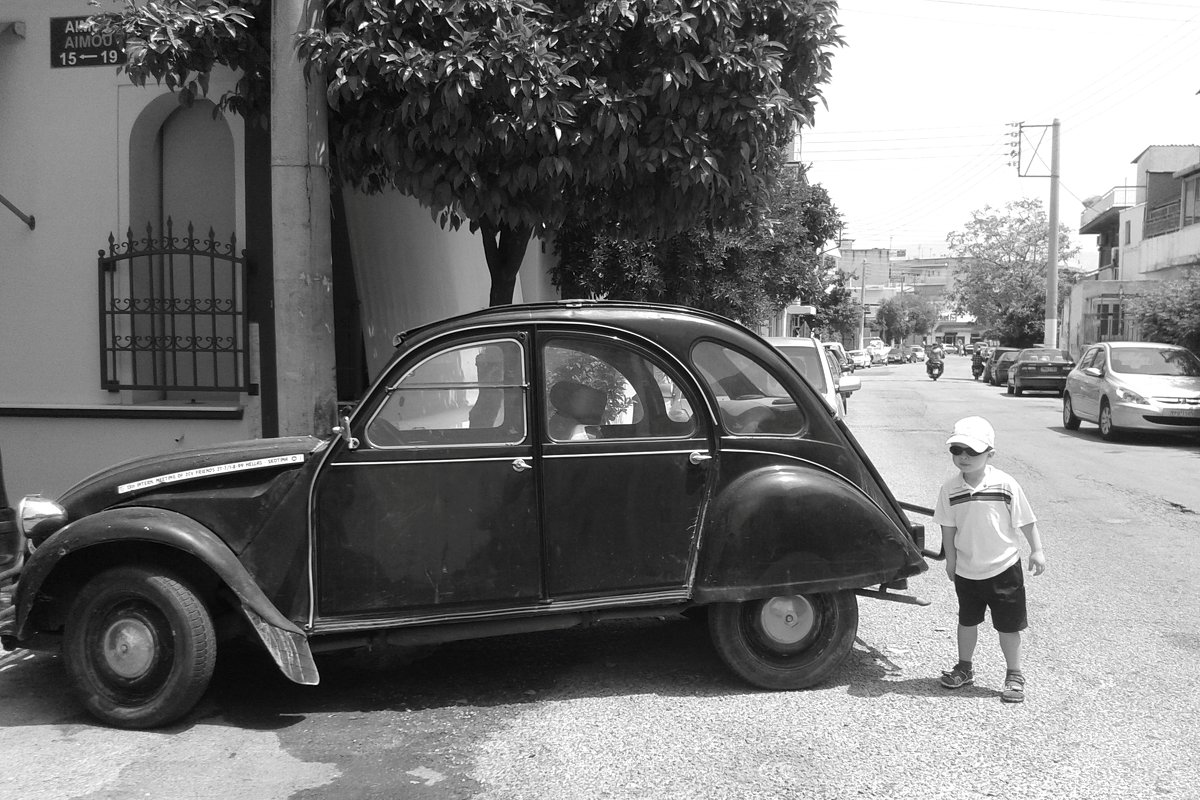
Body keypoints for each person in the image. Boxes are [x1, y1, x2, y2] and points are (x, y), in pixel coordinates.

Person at [932, 416, 1046, 703]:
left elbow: (1026, 520)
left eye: (972, 451)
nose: (963, 457)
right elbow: (948, 527)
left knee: (1008, 625)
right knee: (967, 621)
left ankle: (1014, 673)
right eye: (957, 450)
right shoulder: (950, 489)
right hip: (968, 571)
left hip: (1004, 568)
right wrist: (951, 560)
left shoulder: (1005, 484)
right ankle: (964, 667)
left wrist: (1037, 550)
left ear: (990, 454)